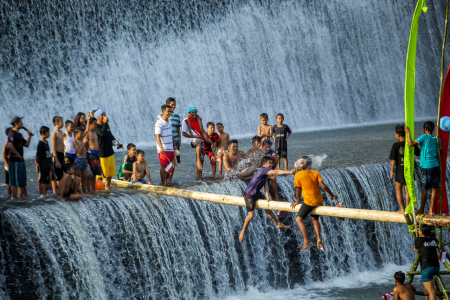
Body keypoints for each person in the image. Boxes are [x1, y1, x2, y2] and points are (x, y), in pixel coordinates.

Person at [239, 156, 294, 242]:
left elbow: (266, 186)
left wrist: (267, 197)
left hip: (257, 194)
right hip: (249, 194)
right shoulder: (263, 170)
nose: (271, 165)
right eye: (270, 163)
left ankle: (278, 223)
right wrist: (290, 171)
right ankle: (243, 231)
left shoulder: (265, 174)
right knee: (251, 215)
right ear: (264, 164)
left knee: (268, 208)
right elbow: (276, 171)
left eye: (272, 163)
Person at [290, 156, 338, 251]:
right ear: (310, 165)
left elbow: (298, 191)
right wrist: (333, 195)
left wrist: (297, 201)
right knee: (315, 219)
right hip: (319, 201)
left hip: (309, 202)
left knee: (298, 219)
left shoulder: (298, 175)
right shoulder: (316, 173)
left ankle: (306, 241)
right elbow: (324, 187)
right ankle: (318, 238)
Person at [405, 122, 442, 215]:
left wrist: (408, 133)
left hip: (426, 167)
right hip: (436, 166)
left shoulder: (423, 137)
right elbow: (440, 152)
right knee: (434, 189)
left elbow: (410, 144)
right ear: (432, 130)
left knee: (424, 190)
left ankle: (422, 209)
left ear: (425, 129)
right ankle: (431, 210)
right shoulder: (437, 139)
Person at [390, 125, 420, 213]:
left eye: (395, 134)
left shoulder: (395, 145)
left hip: (399, 170)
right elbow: (418, 153)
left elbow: (393, 160)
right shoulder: (410, 143)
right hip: (409, 169)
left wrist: (392, 171)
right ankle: (407, 208)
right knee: (408, 190)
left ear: (398, 134)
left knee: (398, 189)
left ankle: (402, 209)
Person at [93, 109, 123, 191]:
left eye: (104, 114)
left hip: (110, 152)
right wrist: (105, 123)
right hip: (102, 154)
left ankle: (107, 188)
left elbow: (110, 135)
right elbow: (102, 133)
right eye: (102, 115)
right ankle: (98, 189)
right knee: (101, 175)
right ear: (97, 118)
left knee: (109, 173)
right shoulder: (96, 127)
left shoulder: (106, 126)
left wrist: (117, 143)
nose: (104, 116)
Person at [182, 106, 212, 180]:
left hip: (200, 139)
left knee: (202, 158)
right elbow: (183, 133)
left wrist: (207, 138)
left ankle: (199, 177)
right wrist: (194, 136)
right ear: (189, 113)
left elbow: (203, 130)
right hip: (191, 139)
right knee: (198, 143)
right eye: (193, 112)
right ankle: (198, 160)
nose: (194, 113)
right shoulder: (185, 120)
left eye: (195, 112)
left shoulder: (200, 119)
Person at [7, 116, 33, 199]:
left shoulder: (20, 134)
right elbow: (10, 145)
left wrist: (29, 137)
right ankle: (15, 198)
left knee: (22, 180)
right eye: (21, 122)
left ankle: (20, 198)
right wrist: (18, 154)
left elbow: (26, 145)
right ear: (16, 123)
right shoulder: (12, 133)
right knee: (14, 181)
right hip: (14, 160)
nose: (22, 124)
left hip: (21, 160)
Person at [414, 223, 439, 300]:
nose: (418, 231)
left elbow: (415, 250)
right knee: (432, 291)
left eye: (419, 230)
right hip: (436, 266)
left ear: (422, 231)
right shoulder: (432, 239)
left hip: (427, 267)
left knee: (431, 292)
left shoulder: (418, 240)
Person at [157, 97, 182, 167]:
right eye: (172, 105)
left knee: (175, 162)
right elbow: (158, 130)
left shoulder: (176, 116)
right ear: (167, 105)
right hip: (166, 143)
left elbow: (178, 129)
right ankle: (166, 177)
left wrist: (179, 140)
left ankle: (170, 177)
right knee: (165, 163)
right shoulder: (160, 116)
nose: (174, 106)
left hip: (175, 141)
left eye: (175, 105)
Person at [156, 104, 176, 185]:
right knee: (163, 166)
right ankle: (163, 183)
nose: (169, 113)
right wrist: (161, 148)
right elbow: (157, 136)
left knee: (170, 165)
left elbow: (171, 134)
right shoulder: (159, 123)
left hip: (170, 147)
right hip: (164, 148)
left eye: (170, 111)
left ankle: (167, 180)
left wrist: (174, 145)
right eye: (168, 111)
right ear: (163, 111)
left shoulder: (169, 121)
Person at [84, 117, 102, 194]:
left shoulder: (95, 133)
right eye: (94, 124)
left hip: (96, 154)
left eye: (96, 124)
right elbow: (84, 141)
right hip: (90, 154)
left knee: (95, 174)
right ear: (90, 125)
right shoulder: (87, 134)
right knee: (90, 175)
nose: (96, 125)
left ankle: (93, 190)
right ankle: (88, 190)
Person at [35, 126, 53, 197]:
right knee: (43, 179)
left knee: (45, 179)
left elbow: (48, 153)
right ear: (43, 134)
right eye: (48, 133)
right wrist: (37, 163)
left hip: (48, 163)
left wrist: (51, 163)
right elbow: (38, 155)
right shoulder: (40, 144)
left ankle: (43, 194)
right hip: (43, 164)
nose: (49, 134)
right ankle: (42, 194)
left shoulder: (46, 142)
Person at [73, 127, 89, 194]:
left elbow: (87, 130)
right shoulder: (75, 141)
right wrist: (84, 144)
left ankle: (84, 193)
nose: (82, 135)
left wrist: (88, 119)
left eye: (82, 134)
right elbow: (79, 151)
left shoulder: (82, 139)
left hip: (84, 159)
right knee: (78, 178)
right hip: (79, 160)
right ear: (76, 134)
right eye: (80, 134)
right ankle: (76, 192)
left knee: (84, 177)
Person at [51, 116, 65, 185]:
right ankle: (55, 192)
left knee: (61, 174)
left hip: (62, 154)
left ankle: (60, 190)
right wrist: (56, 160)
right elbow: (53, 148)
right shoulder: (54, 133)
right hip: (56, 154)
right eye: (61, 122)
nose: (63, 124)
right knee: (55, 176)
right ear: (57, 123)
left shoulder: (61, 132)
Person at [2, 127, 12, 197]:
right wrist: (7, 165)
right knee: (9, 182)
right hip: (8, 164)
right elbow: (3, 155)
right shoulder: (6, 143)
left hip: (13, 163)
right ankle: (9, 195)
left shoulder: (13, 142)